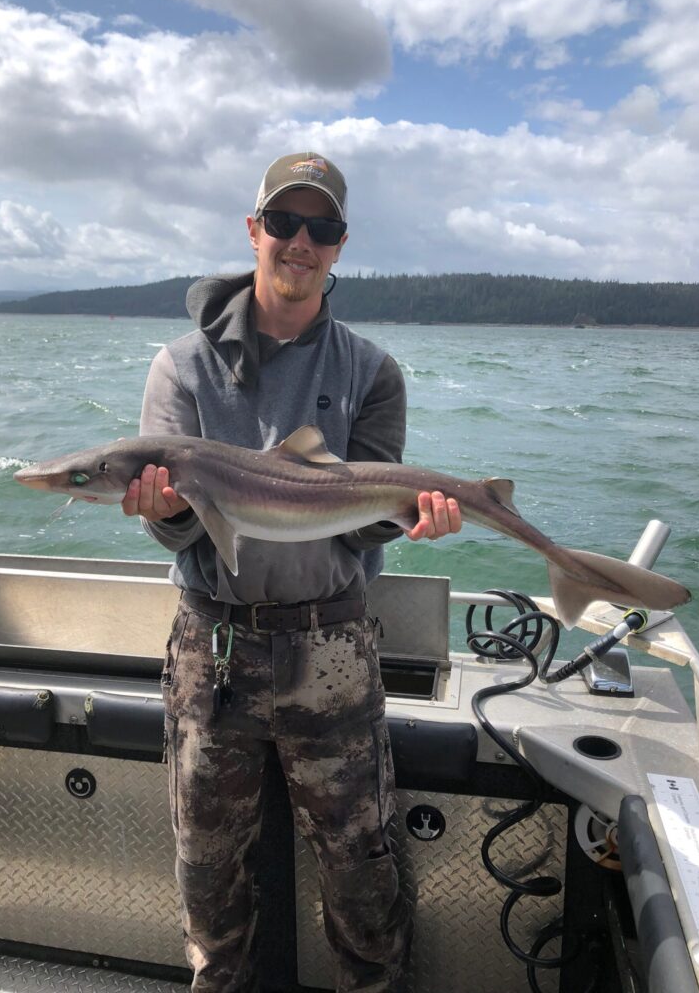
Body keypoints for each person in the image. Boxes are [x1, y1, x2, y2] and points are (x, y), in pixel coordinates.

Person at [122, 152, 461, 993]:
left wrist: (415, 517)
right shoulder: (181, 368)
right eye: (284, 222)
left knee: (360, 865)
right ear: (254, 230)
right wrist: (164, 509)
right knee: (208, 869)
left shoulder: (370, 372)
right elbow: (180, 538)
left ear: (341, 246)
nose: (300, 242)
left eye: (322, 228)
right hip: (215, 650)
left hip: (333, 646)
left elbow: (365, 529)